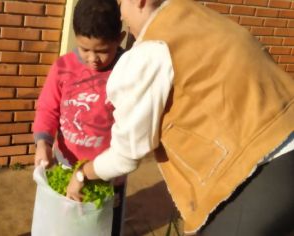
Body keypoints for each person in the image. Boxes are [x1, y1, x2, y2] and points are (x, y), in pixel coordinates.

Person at [66, 0, 294, 235]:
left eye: (122, 3)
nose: (121, 14)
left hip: (260, 176)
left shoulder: (150, 50)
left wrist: (84, 174)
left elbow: (126, 155)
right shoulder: (200, 16)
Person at [33, 0, 126, 235]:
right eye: (85, 49)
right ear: (76, 37)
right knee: (65, 222)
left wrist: (116, 168)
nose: (93, 58)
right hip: (65, 162)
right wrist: (42, 143)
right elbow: (47, 108)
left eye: (103, 51)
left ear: (120, 38)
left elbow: (132, 124)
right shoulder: (63, 67)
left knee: (102, 223)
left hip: (107, 170)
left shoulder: (128, 70)